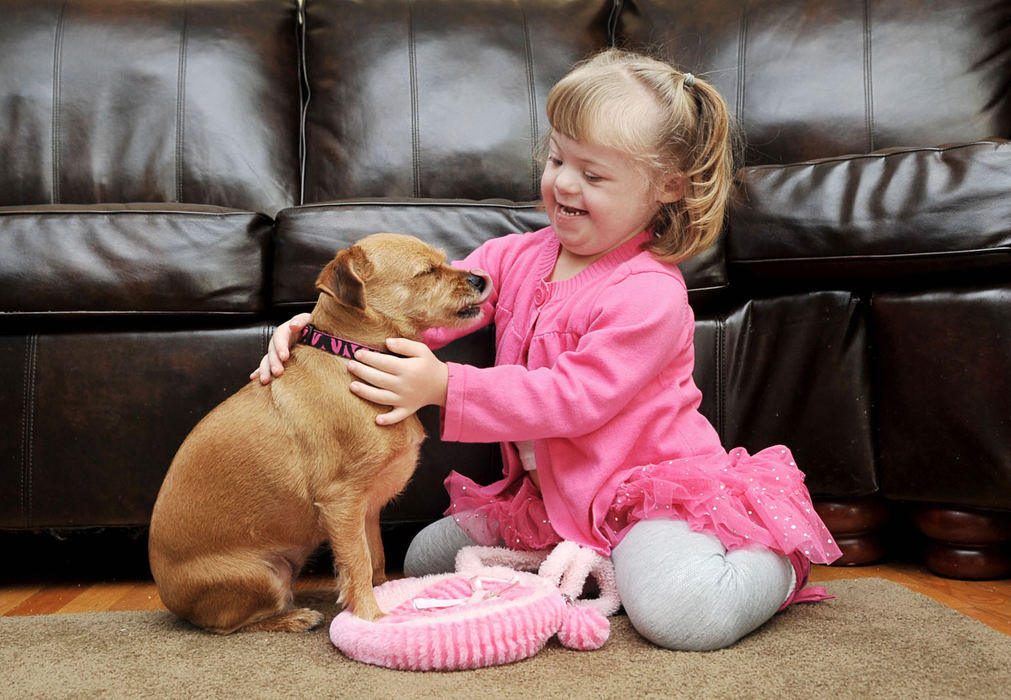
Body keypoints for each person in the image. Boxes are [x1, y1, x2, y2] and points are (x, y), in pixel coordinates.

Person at [253, 49, 842, 651]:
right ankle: (583, 568)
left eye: (593, 174)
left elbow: (575, 398)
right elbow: (422, 313)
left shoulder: (649, 293)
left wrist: (446, 387)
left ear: (668, 186)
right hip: (555, 501)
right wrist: (323, 329)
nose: (562, 181)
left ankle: (776, 557)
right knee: (429, 557)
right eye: (558, 158)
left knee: (681, 616)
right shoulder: (515, 256)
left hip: (645, 497)